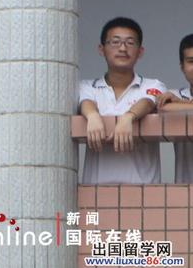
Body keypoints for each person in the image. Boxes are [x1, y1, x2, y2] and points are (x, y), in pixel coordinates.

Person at [79, 17, 166, 184]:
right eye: (115, 42)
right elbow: (85, 101)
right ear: (101, 49)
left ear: (140, 51)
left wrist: (129, 117)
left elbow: (148, 101)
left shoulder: (154, 85)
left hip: (145, 194)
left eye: (130, 43)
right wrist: (92, 116)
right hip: (96, 193)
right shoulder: (87, 86)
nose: (122, 48)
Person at [156, 34, 193, 183]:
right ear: (182, 67)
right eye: (191, 61)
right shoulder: (176, 95)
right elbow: (163, 107)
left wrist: (183, 105)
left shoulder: (177, 99)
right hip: (184, 192)